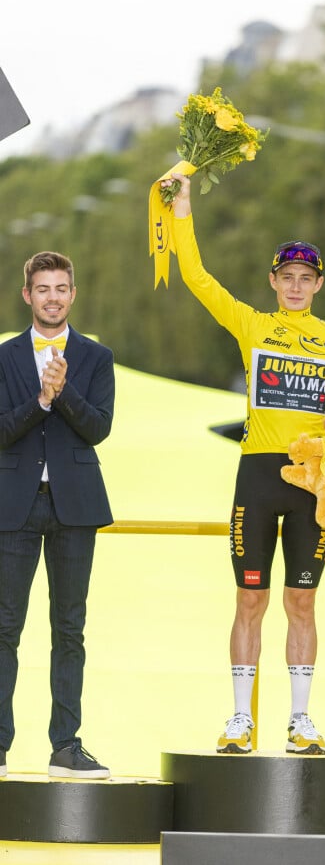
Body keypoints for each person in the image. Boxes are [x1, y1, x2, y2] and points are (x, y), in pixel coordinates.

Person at [159, 171, 325, 755]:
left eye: (306, 279)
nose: (296, 287)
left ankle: (300, 721)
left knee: (302, 600)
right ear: (273, 281)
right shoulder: (253, 324)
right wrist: (183, 209)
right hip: (257, 472)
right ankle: (240, 719)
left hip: (312, 482)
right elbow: (196, 277)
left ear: (319, 284)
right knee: (250, 598)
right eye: (287, 277)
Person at [0, 251, 115, 778]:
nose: (52, 297)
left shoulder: (95, 357)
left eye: (61, 288)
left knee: (70, 628)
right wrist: (41, 402)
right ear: (28, 295)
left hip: (75, 507)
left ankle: (66, 745)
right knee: (4, 628)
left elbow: (98, 428)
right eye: (42, 288)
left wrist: (63, 393)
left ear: (73, 294)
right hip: (13, 506)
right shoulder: (4, 358)